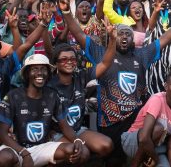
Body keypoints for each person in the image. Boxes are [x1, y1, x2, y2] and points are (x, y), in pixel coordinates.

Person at [61, 0, 171, 167]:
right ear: (113, 36)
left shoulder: (142, 55)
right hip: (109, 121)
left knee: (149, 138)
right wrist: (66, 12)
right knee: (115, 161)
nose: (124, 37)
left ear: (133, 39)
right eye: (120, 33)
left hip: (135, 119)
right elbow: (78, 34)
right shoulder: (101, 53)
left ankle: (146, 158)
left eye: (128, 34)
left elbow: (164, 39)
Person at [0, 54, 87, 167]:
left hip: (42, 147)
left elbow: (64, 125)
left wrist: (77, 140)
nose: (39, 73)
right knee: (4, 158)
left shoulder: (52, 95)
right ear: (27, 74)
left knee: (77, 151)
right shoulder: (13, 96)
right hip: (16, 148)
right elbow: (2, 134)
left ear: (48, 74)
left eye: (43, 69)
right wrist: (24, 153)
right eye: (34, 69)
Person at [45, 23, 117, 158]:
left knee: (106, 145)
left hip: (78, 130)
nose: (69, 62)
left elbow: (105, 63)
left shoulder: (81, 76)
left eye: (72, 59)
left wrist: (113, 39)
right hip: (57, 132)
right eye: (64, 59)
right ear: (56, 63)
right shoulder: (49, 85)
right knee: (81, 152)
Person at [121, 69, 171, 167]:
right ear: (166, 86)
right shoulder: (157, 99)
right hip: (133, 142)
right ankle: (135, 164)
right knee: (158, 128)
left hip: (156, 147)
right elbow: (144, 138)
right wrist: (155, 159)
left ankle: (147, 162)